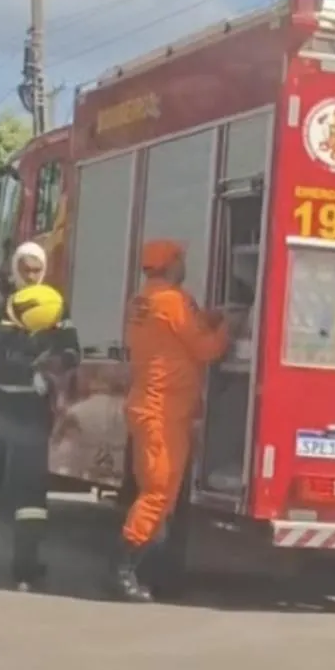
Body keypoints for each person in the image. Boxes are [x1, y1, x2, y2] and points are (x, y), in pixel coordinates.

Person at [113, 239, 231, 602]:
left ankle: (146, 570)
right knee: (158, 492)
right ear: (171, 264)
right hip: (163, 412)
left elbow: (180, 333)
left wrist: (207, 319)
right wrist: (228, 325)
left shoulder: (144, 301)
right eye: (181, 259)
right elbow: (206, 349)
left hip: (152, 408)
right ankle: (125, 570)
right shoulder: (172, 301)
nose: (185, 265)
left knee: (158, 494)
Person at [0, 243, 80, 589]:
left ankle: (25, 565)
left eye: (36, 270)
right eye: (25, 269)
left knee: (31, 492)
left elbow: (72, 347)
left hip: (29, 407)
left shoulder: (52, 301)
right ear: (14, 266)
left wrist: (56, 362)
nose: (31, 276)